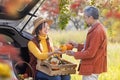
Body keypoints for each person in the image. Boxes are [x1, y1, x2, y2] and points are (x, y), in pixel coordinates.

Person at [65, 6, 107, 80]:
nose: (84, 20)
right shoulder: (96, 28)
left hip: (92, 67)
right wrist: (77, 45)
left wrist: (73, 53)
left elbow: (90, 52)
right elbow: (90, 47)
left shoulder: (97, 31)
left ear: (90, 17)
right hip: (91, 66)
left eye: (85, 17)